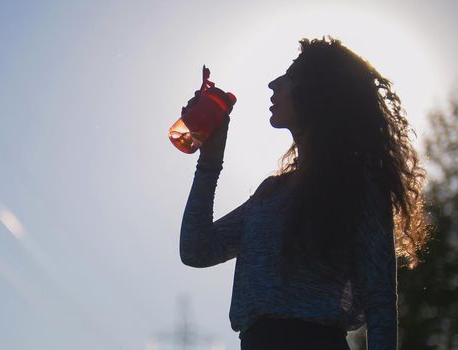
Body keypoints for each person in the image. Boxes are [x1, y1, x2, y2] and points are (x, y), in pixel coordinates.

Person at [178, 36, 429, 350]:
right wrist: (210, 160)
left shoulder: (359, 185)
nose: (273, 84)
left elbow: (380, 301)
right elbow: (196, 250)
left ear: (321, 91)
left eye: (290, 77)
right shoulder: (270, 193)